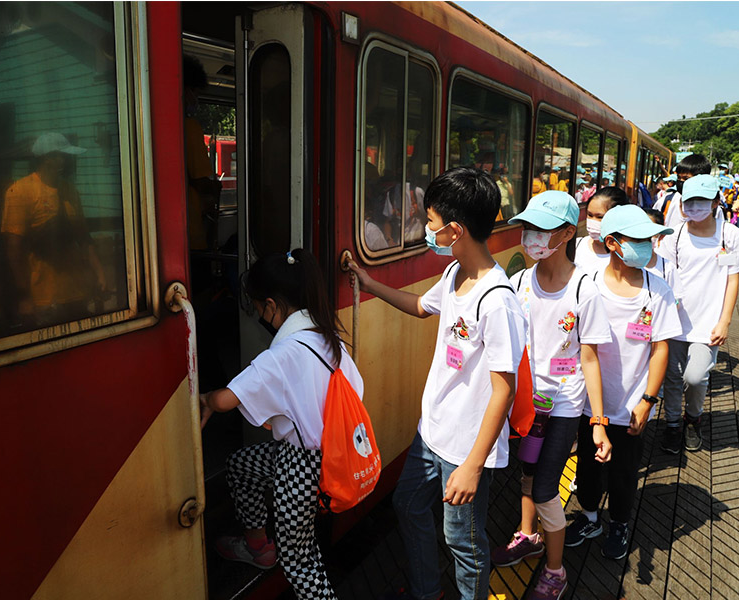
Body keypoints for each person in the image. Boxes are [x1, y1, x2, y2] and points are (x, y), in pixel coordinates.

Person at [349, 167, 527, 600]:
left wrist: (473, 465)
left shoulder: (497, 300)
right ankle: (428, 592)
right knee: (407, 504)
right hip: (432, 433)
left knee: (463, 543)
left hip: (465, 447)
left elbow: (504, 389)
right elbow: (421, 307)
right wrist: (369, 282)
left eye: (430, 222)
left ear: (455, 230)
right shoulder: (454, 276)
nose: (427, 230)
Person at [200, 248, 362, 599]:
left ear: (271, 305)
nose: (260, 314)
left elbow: (226, 399)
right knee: (240, 465)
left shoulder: (280, 354)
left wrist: (206, 399)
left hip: (302, 467)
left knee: (301, 562)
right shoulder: (328, 338)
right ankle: (258, 547)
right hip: (331, 453)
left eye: (258, 308)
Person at [492, 191, 612, 600]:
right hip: (526, 401)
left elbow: (592, 359)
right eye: (527, 229)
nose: (529, 238)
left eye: (540, 230)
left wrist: (597, 423)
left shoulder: (585, 289)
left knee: (544, 487)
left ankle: (556, 572)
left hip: (563, 404)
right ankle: (528, 536)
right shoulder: (520, 280)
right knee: (526, 473)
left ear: (565, 233)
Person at [566, 205, 681, 560]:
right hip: (589, 402)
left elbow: (660, 349)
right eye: (640, 240)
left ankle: (618, 521)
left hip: (632, 404)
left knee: (624, 472)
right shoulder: (589, 284)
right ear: (613, 242)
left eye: (650, 239)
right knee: (587, 465)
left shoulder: (656, 289)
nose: (649, 247)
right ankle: (588, 516)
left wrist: (648, 400)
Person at [656, 175, 739, 454]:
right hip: (674, 320)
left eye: (702, 201)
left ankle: (693, 418)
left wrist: (725, 321)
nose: (694, 207)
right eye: (689, 202)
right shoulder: (674, 234)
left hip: (708, 323)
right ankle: (673, 424)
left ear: (716, 202)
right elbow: (665, 276)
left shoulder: (729, 235)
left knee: (695, 377)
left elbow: (732, 280)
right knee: (672, 378)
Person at [1, 132, 107, 330]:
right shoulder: (20, 191)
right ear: (48, 158)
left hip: (76, 291)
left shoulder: (70, 191)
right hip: (44, 297)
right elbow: (13, 249)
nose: (66, 160)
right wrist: (24, 297)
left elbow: (83, 237)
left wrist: (99, 272)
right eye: (62, 155)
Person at [183, 55, 222, 258]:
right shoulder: (188, 127)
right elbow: (200, 180)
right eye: (195, 93)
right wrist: (215, 186)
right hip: (190, 231)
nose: (195, 100)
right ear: (185, 89)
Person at [575, 186, 630, 275]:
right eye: (589, 215)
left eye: (600, 217)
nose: (593, 221)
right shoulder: (576, 246)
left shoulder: (627, 255)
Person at [664, 154, 712, 228]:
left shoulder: (712, 208)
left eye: (686, 178)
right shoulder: (668, 200)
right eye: (679, 178)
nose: (681, 182)